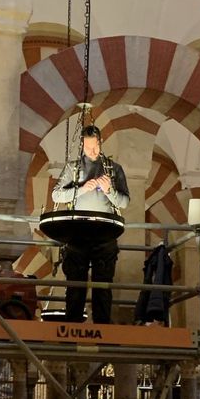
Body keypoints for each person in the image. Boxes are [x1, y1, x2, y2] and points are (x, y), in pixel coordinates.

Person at [51, 124, 130, 323]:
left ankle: (102, 326)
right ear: (82, 146)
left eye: (95, 147)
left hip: (105, 234)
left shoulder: (114, 169)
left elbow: (125, 202)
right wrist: (81, 189)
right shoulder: (73, 168)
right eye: (88, 148)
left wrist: (109, 191)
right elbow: (56, 194)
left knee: (103, 285)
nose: (92, 151)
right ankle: (72, 325)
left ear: (100, 144)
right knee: (75, 284)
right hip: (77, 234)